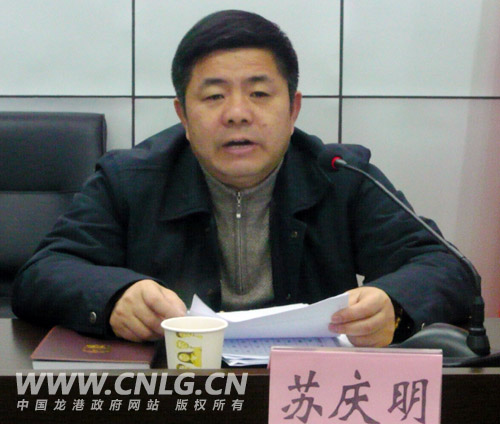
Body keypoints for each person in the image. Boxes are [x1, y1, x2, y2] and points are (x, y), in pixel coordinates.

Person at [12, 10, 474, 348]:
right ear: (183, 115)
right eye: (214, 96)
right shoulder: (130, 179)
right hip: (178, 388)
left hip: (304, 392)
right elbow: (41, 274)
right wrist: (114, 297)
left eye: (259, 93)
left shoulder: (340, 175)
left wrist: (395, 304)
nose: (237, 114)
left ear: (293, 109)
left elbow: (446, 266)